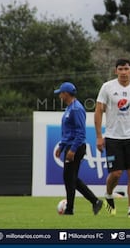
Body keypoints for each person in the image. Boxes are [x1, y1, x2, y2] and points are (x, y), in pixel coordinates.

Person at [95, 58, 130, 218]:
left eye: (126, 69)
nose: (123, 72)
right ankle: (109, 195)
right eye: (120, 69)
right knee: (116, 173)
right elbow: (98, 111)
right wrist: (99, 136)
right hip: (113, 136)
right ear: (116, 71)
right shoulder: (107, 87)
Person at [54, 82, 103, 215]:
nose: (59, 96)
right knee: (71, 178)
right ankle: (95, 201)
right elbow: (68, 131)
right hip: (70, 145)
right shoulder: (70, 108)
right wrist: (62, 146)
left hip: (76, 146)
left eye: (60, 93)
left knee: (69, 178)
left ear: (66, 94)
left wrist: (72, 149)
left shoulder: (76, 109)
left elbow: (80, 132)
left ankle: (70, 209)